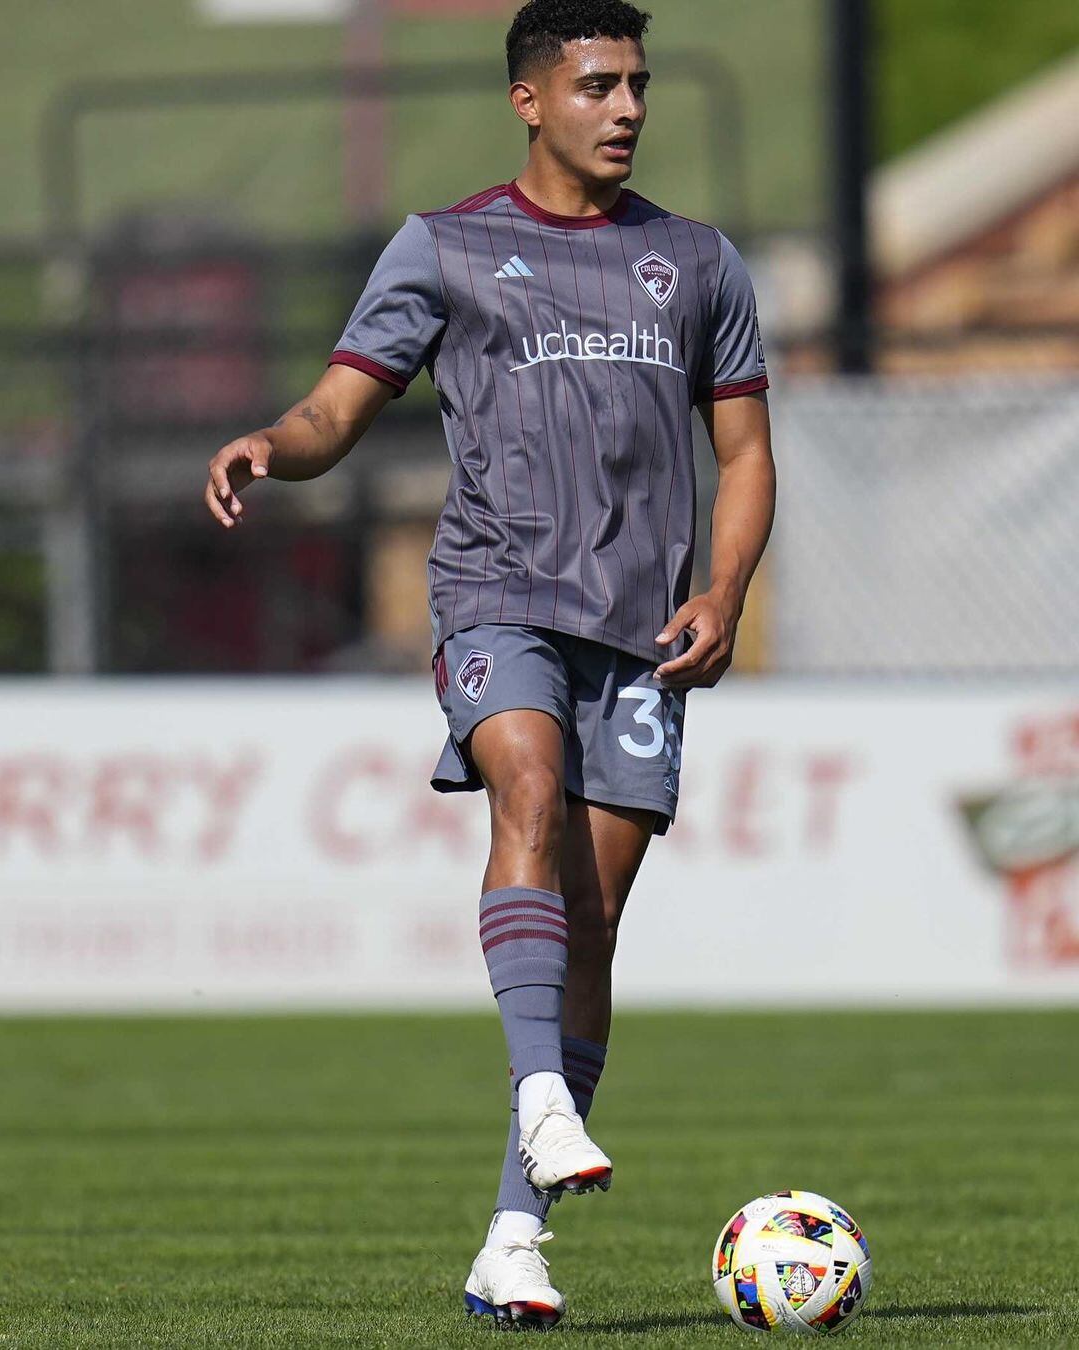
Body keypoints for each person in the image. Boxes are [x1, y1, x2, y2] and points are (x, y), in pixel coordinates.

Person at [204, 0, 775, 1330]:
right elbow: (337, 407)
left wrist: (727, 592)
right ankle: (540, 1099)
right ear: (531, 101)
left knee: (595, 924)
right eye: (597, 86)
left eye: (638, 84)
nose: (626, 107)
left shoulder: (695, 263)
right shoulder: (446, 247)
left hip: (642, 632)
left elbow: (744, 456)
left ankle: (514, 1238)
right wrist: (269, 449)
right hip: (495, 596)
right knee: (525, 782)